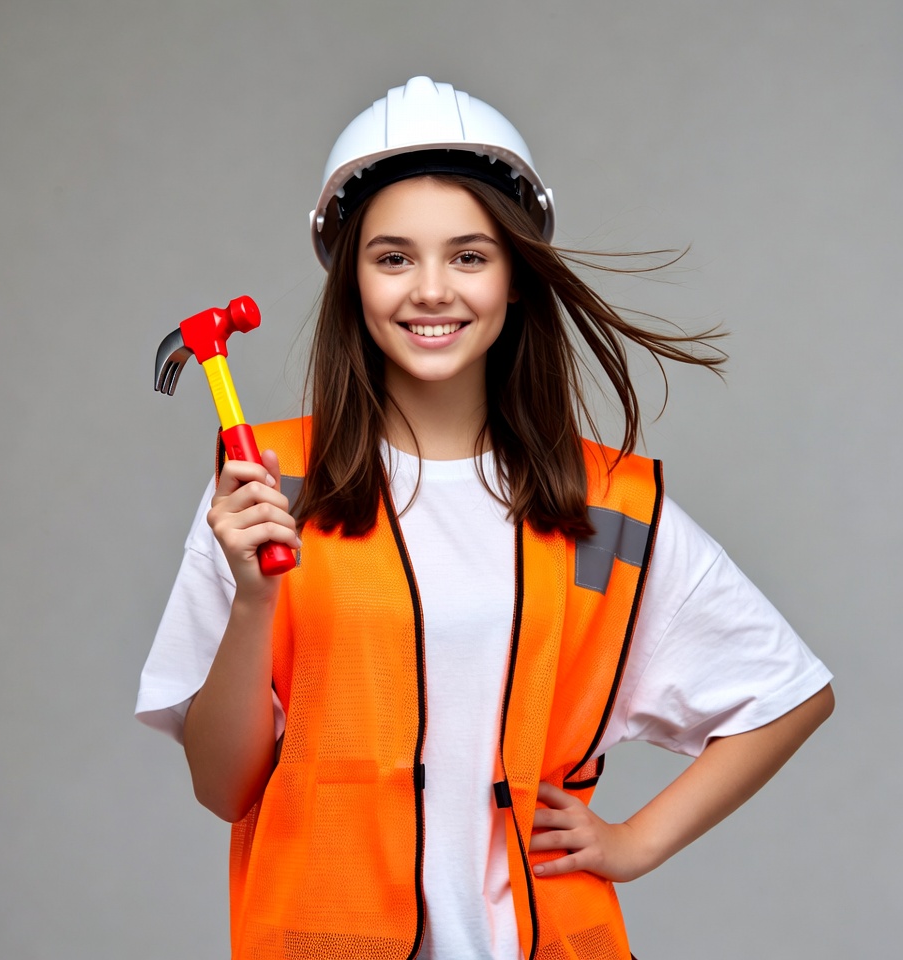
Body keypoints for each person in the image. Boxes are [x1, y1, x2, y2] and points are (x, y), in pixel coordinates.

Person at [137, 76, 834, 960]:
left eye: (469, 256)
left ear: (516, 277)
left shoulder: (599, 516)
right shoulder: (275, 487)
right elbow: (222, 787)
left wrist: (635, 842)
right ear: (352, 279)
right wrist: (251, 599)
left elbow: (785, 694)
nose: (431, 289)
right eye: (393, 258)